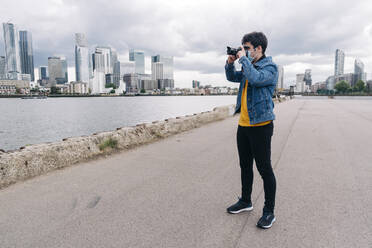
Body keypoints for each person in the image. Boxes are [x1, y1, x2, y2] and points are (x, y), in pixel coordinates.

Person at [225, 32, 278, 229]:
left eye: (247, 48)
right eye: (243, 48)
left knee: (264, 169)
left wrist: (243, 60)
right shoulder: (249, 66)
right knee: (245, 165)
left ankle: (269, 212)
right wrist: (231, 63)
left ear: (259, 49)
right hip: (244, 125)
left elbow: (255, 79)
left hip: (261, 126)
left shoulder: (270, 67)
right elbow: (232, 77)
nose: (244, 52)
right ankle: (246, 201)